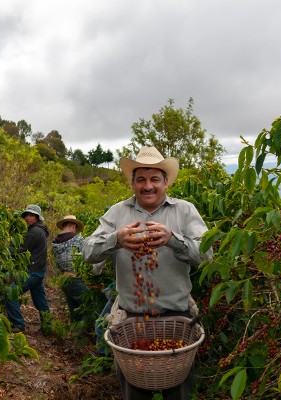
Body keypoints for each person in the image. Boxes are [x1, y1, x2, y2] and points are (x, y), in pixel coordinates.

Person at [82, 146, 213, 400]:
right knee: (134, 392)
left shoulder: (184, 211)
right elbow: (88, 252)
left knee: (179, 393)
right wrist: (116, 239)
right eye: (141, 179)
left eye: (155, 179)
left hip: (177, 318)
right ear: (132, 183)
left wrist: (173, 239)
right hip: (132, 320)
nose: (148, 186)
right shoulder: (118, 213)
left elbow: (207, 255)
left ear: (166, 182)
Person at [6, 204, 51, 334]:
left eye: (31, 215)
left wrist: (6, 250)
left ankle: (18, 324)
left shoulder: (34, 232)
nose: (28, 218)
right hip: (39, 270)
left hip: (33, 271)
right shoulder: (40, 229)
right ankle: (48, 326)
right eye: (26, 215)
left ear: (37, 217)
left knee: (11, 293)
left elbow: (22, 250)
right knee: (40, 301)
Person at [52, 215, 89, 322]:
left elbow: (58, 264)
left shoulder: (55, 242)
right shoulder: (78, 239)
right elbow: (87, 257)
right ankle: (85, 334)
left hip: (64, 279)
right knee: (89, 306)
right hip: (75, 278)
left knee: (74, 309)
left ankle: (75, 335)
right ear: (73, 226)